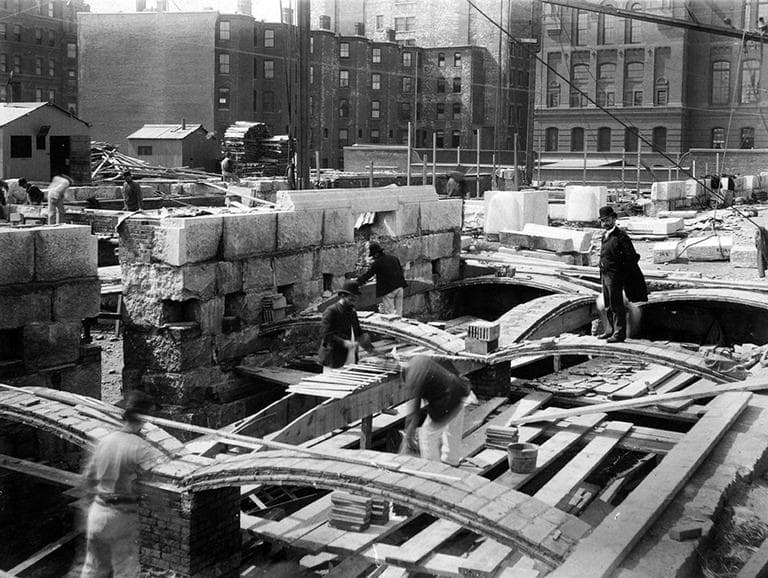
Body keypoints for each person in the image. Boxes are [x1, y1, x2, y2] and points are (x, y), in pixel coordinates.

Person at [80, 391, 163, 577]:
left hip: (97, 512)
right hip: (122, 516)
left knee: (93, 569)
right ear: (144, 418)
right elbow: (156, 483)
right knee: (125, 571)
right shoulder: (141, 448)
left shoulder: (105, 441)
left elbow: (88, 478)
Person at [403, 355, 473, 466]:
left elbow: (414, 411)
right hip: (460, 389)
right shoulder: (421, 359)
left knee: (427, 435)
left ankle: (433, 470)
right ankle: (452, 461)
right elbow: (445, 361)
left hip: (447, 398)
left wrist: (409, 433)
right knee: (453, 427)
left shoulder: (413, 378)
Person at [597, 205, 648, 343]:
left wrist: (621, 274)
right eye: (603, 221)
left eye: (607, 220)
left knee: (616, 305)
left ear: (614, 219)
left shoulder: (621, 237)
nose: (605, 223)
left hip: (615, 276)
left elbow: (632, 257)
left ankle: (619, 333)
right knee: (607, 304)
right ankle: (609, 330)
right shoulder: (605, 235)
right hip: (605, 274)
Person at [318, 279, 374, 372]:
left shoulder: (352, 311)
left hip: (350, 357)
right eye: (351, 299)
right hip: (334, 359)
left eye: (355, 300)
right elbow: (326, 335)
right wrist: (344, 343)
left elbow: (358, 332)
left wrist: (370, 349)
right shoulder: (331, 311)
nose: (354, 302)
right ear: (343, 296)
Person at [357, 241, 408, 316]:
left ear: (377, 254)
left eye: (373, 256)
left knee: (390, 314)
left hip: (388, 290)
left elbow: (368, 275)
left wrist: (358, 282)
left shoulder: (378, 262)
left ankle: (392, 326)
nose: (373, 258)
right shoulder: (394, 258)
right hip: (400, 287)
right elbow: (400, 271)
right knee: (399, 312)